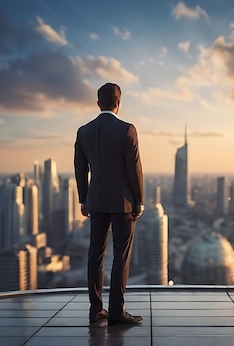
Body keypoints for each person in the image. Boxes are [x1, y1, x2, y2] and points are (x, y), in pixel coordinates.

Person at [74, 82, 144, 325]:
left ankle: (96, 310)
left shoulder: (84, 131)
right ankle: (117, 311)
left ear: (98, 103)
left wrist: (84, 199)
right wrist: (139, 201)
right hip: (123, 202)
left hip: (96, 201)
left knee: (96, 254)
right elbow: (134, 169)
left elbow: (80, 169)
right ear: (118, 103)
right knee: (121, 255)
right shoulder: (127, 130)